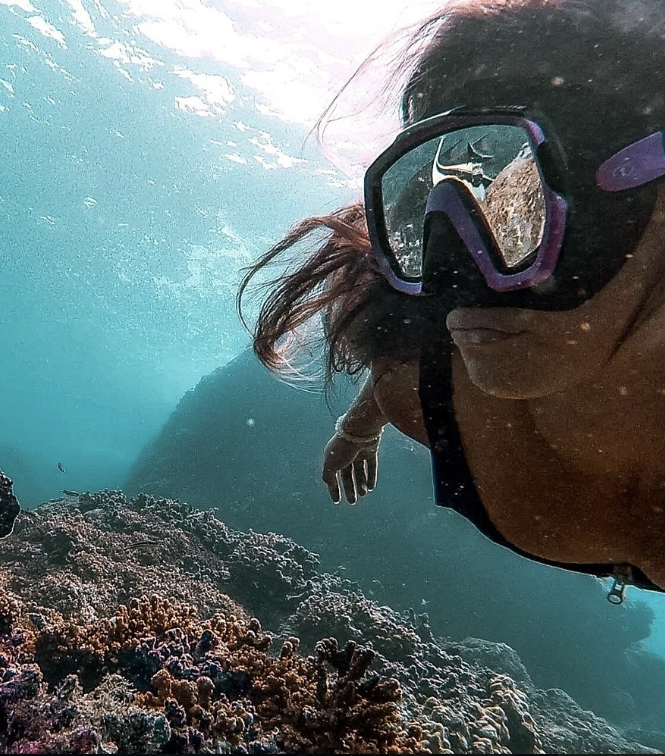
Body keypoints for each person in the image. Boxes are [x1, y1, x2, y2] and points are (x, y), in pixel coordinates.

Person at [237, 0, 665, 602]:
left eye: (521, 212)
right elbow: (408, 349)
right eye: (422, 215)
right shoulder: (419, 382)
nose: (448, 280)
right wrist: (358, 428)